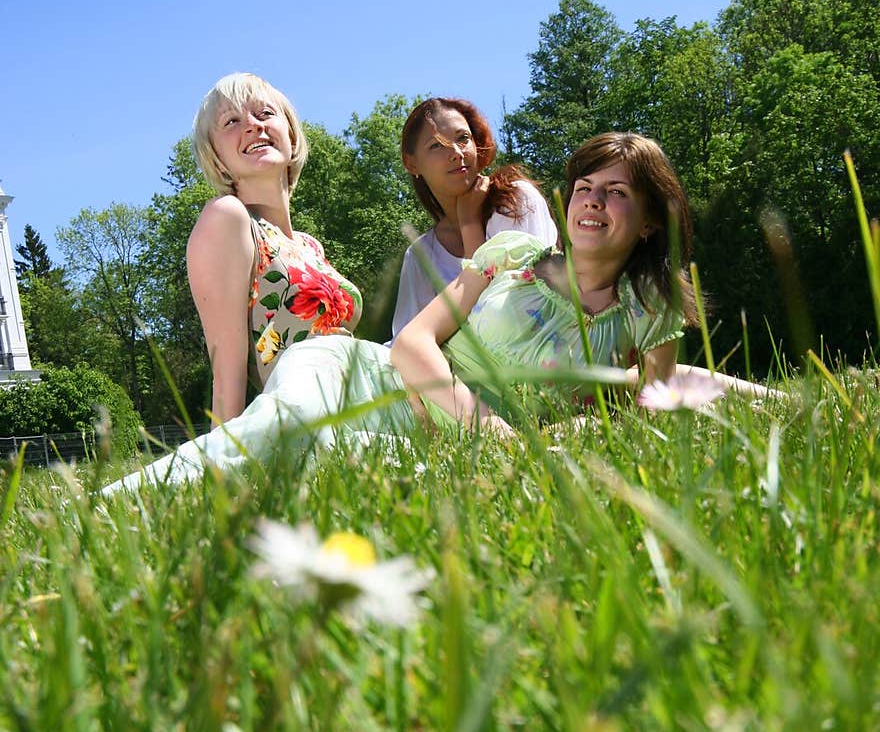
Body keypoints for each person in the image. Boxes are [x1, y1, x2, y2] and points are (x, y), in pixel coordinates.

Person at [103, 131, 759, 496]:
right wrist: (484, 428)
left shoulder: (645, 315)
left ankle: (164, 502)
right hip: (368, 374)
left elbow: (664, 397)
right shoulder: (511, 254)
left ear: (647, 223)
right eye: (585, 188)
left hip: (424, 443)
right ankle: (115, 506)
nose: (592, 202)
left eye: (616, 193)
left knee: (312, 452)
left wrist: (784, 398)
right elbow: (415, 340)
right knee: (291, 418)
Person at [185, 71, 362, 424]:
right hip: (309, 418)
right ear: (216, 157)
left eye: (264, 114)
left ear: (291, 135)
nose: (252, 125)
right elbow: (227, 374)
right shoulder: (229, 219)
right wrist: (226, 462)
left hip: (360, 395)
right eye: (232, 121)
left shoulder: (310, 246)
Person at [391, 97, 558, 338]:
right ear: (412, 163)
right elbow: (405, 341)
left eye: (463, 139)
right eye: (436, 146)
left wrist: (470, 224)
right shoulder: (421, 254)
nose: (456, 153)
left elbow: (522, 313)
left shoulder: (516, 202)